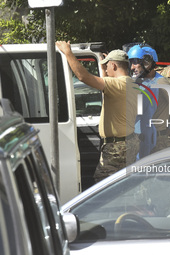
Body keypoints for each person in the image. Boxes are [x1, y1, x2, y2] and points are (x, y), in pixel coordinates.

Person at [56, 41, 139, 183]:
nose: (106, 70)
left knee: (102, 188)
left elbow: (84, 77)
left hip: (116, 148)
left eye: (108, 66)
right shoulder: (132, 84)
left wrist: (68, 53)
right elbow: (105, 81)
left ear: (113, 65)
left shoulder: (117, 85)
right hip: (128, 142)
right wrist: (103, 65)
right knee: (126, 185)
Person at [127, 44, 167, 158]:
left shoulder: (159, 82)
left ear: (147, 63)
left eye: (135, 62)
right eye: (131, 63)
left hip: (150, 140)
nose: (132, 67)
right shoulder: (139, 83)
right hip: (141, 138)